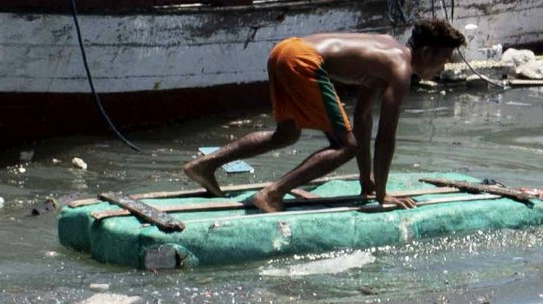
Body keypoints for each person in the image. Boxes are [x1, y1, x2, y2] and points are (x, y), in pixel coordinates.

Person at [185, 20, 465, 213]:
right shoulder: (401, 70)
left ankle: (205, 166)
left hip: (284, 50)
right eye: (443, 60)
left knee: (286, 134)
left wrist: (367, 182)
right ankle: (272, 194)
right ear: (426, 53)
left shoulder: (388, 52)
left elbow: (364, 118)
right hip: (302, 58)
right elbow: (385, 139)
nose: (442, 68)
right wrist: (382, 195)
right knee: (346, 146)